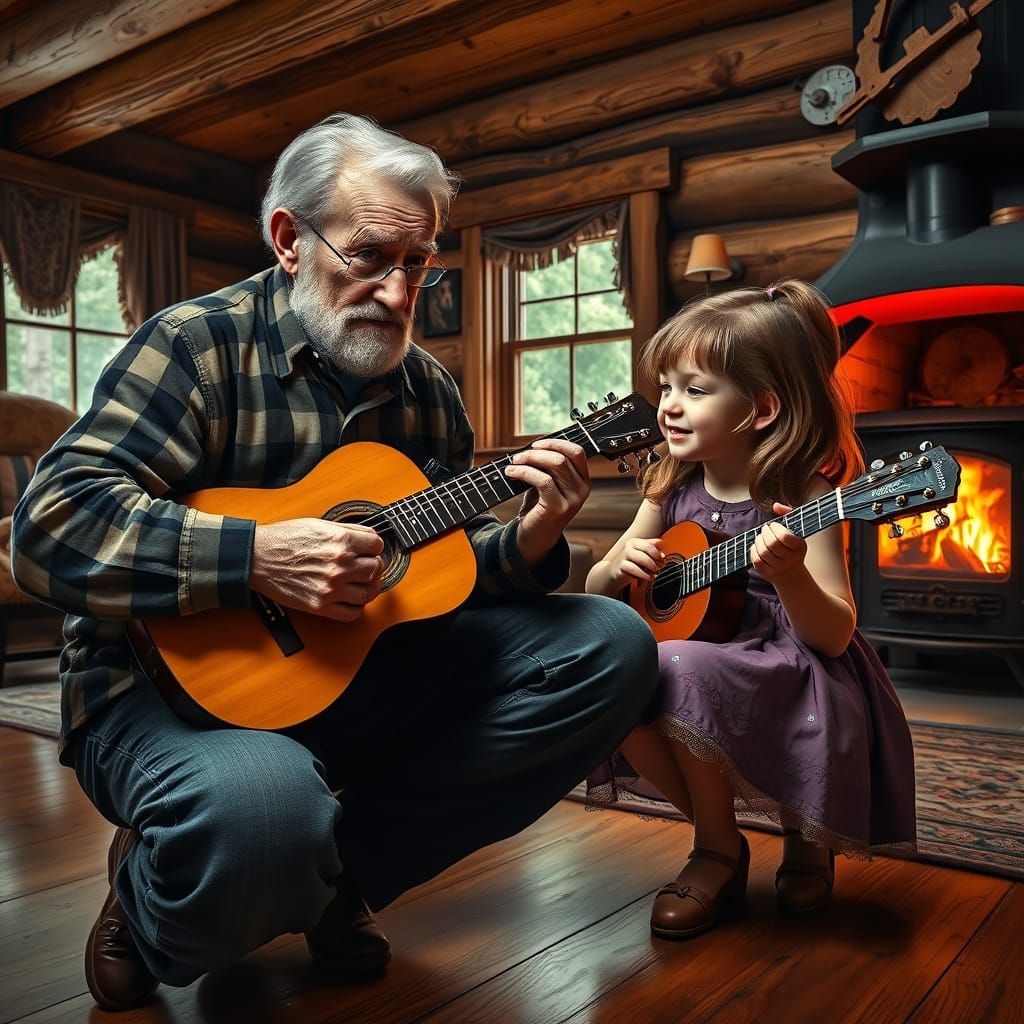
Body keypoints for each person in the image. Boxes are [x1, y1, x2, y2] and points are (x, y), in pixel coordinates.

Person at [10, 113, 659, 1011]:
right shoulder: (194, 346)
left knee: (611, 643)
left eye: (418, 264)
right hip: (154, 690)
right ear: (289, 239)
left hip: (348, 675)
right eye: (368, 257)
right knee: (262, 817)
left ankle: (335, 884)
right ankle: (150, 895)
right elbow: (48, 526)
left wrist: (530, 541)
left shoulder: (427, 391)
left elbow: (433, 578)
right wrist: (256, 558)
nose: (398, 295)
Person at [585, 279, 916, 940]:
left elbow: (834, 632)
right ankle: (719, 845)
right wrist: (614, 568)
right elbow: (598, 590)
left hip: (788, 663)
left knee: (675, 664)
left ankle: (805, 836)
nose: (669, 408)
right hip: (695, 653)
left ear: (760, 409)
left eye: (695, 390)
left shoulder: (805, 492)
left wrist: (790, 577)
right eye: (667, 387)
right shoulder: (669, 482)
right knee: (606, 677)